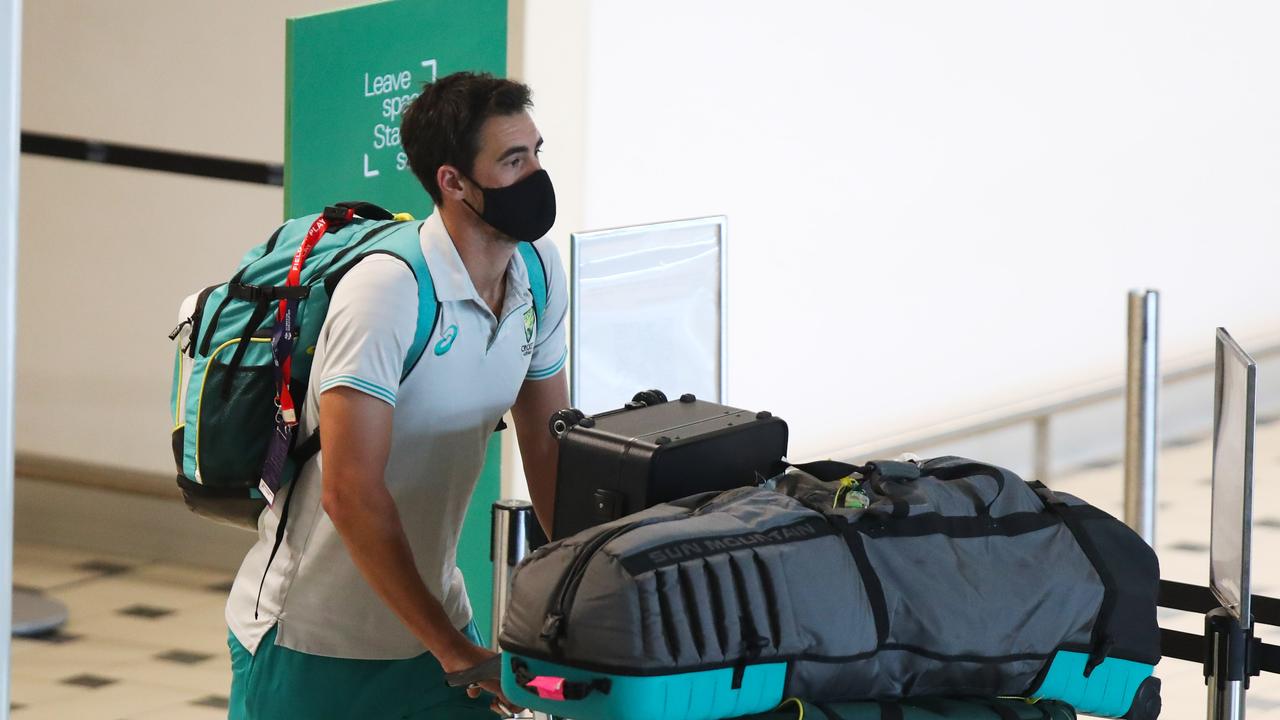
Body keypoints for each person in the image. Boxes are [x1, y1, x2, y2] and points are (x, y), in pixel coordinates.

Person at [225, 72, 568, 719]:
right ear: (453, 180)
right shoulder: (390, 292)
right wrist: (455, 653)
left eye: (537, 152)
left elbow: (550, 451)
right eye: (513, 160)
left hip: (433, 623)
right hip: (313, 644)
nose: (536, 176)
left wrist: (590, 600)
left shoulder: (539, 272)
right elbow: (350, 493)